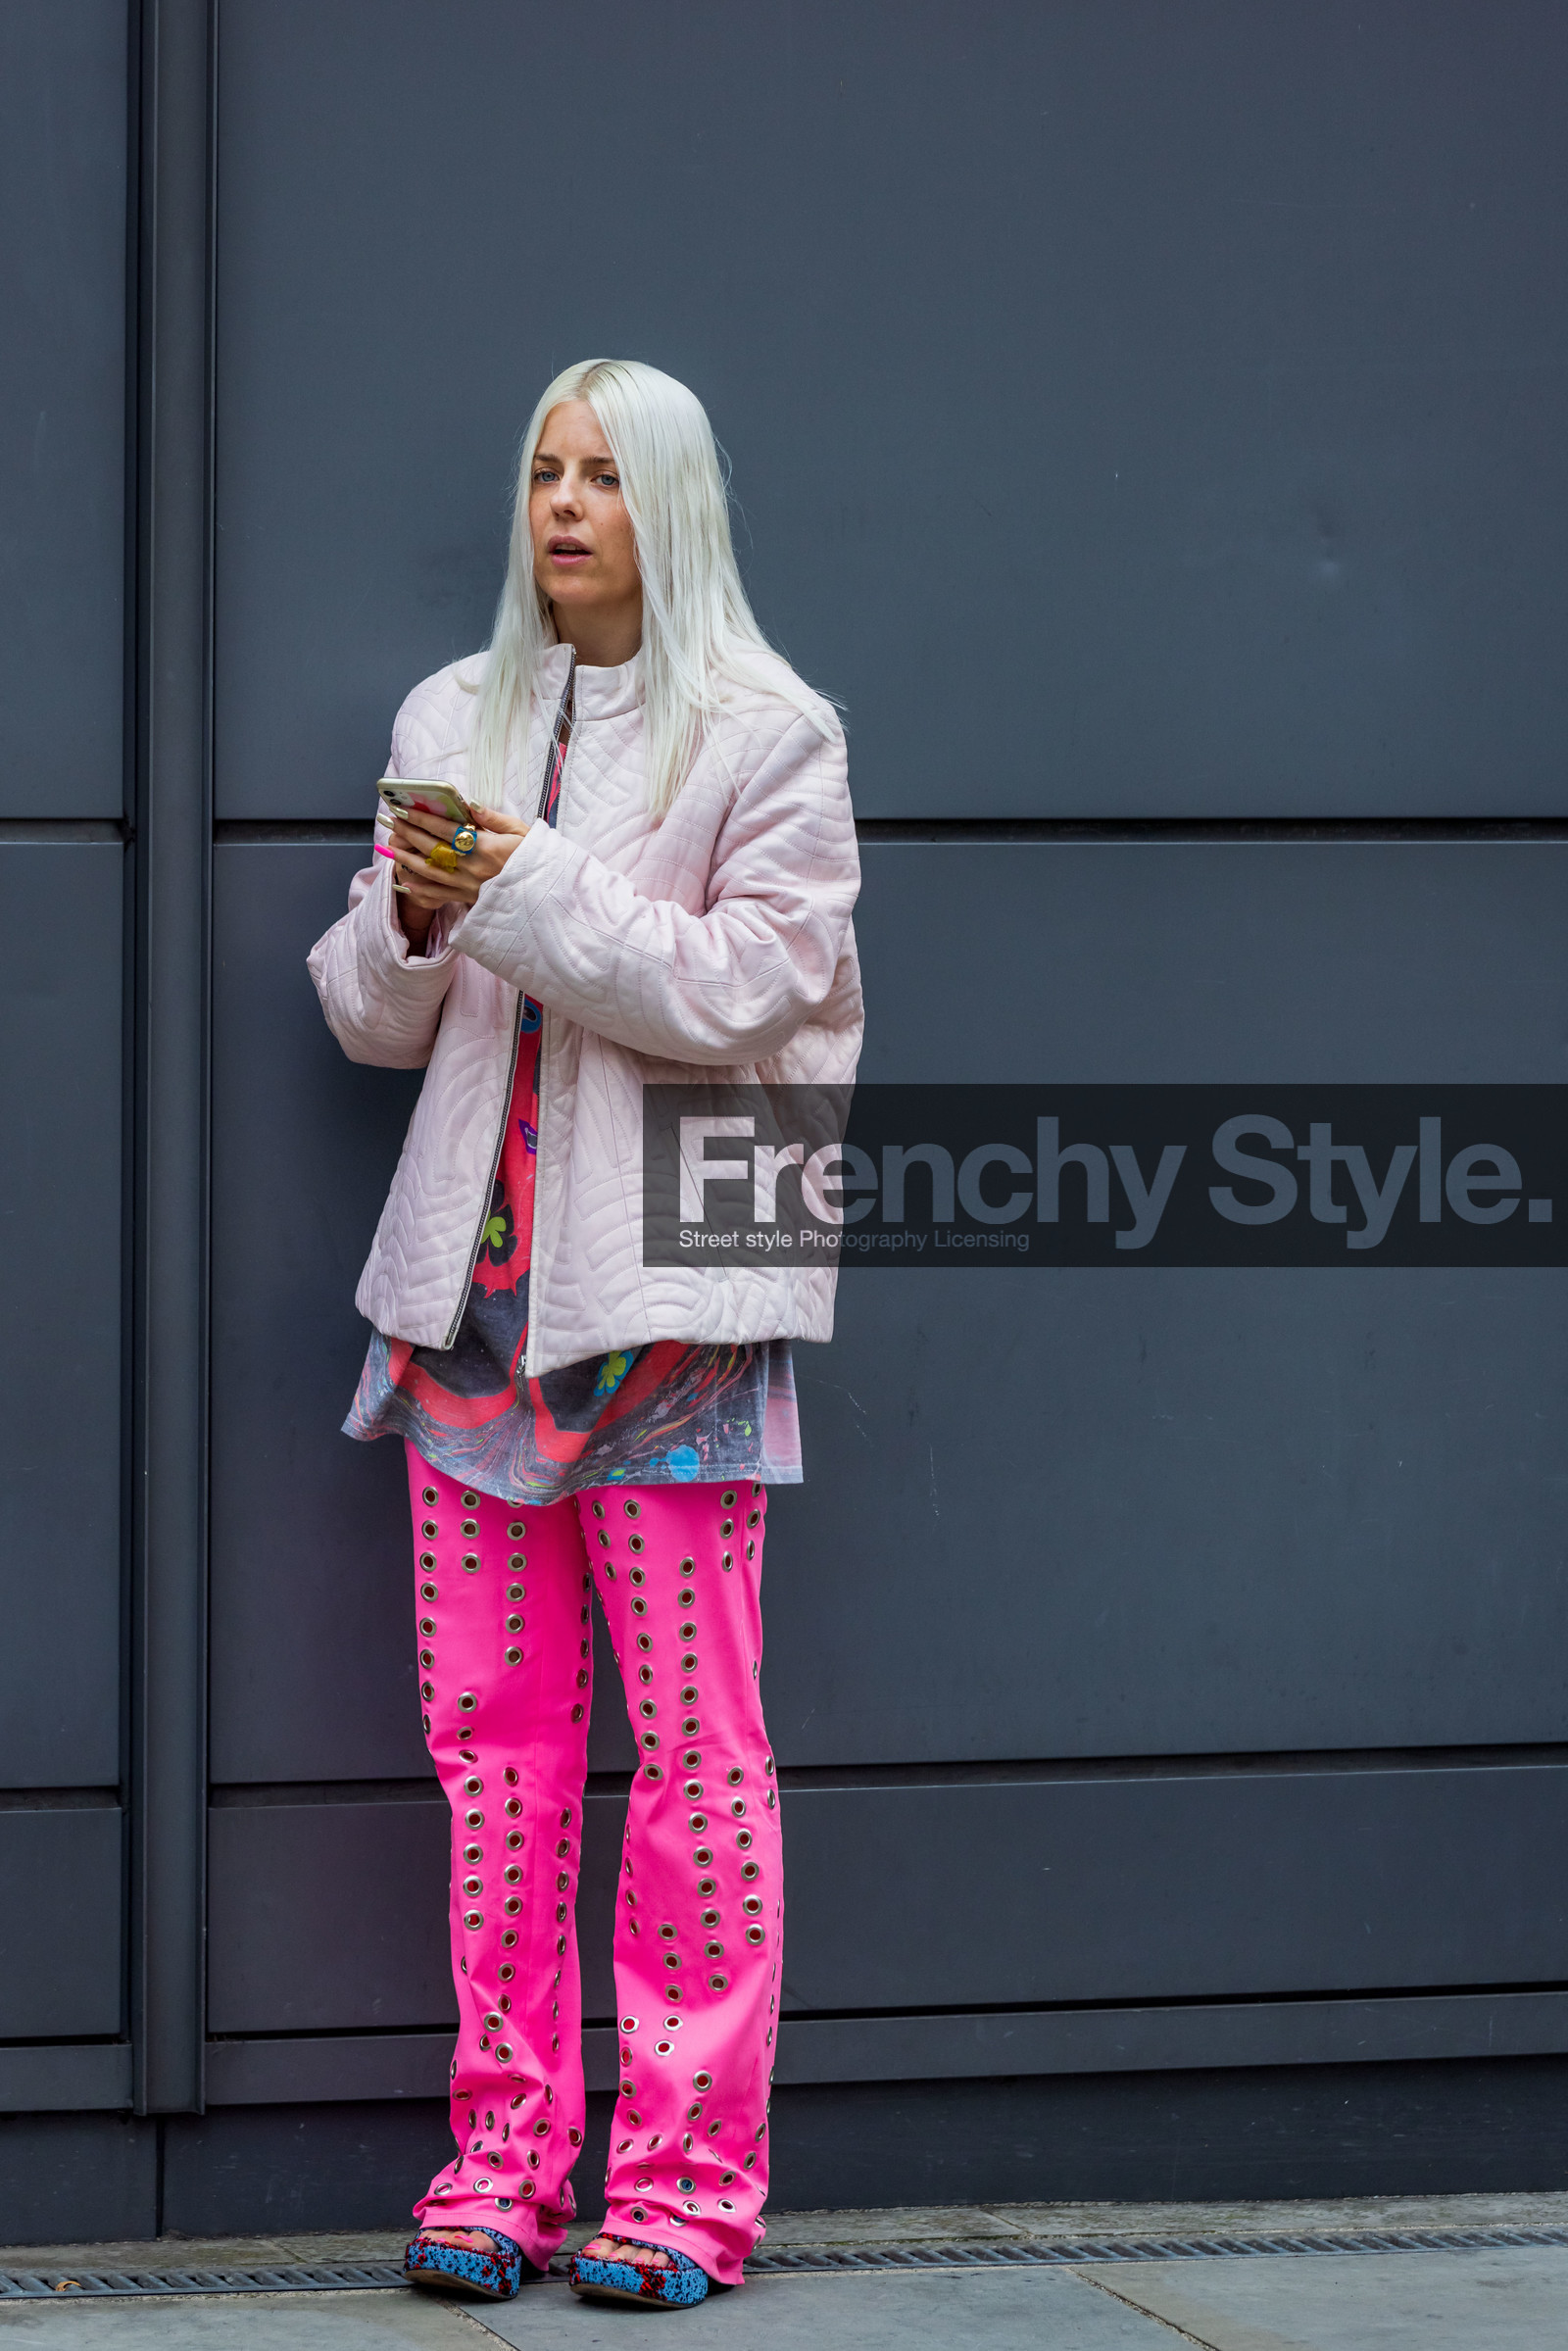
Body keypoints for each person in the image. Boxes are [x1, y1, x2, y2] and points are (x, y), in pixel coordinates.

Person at [308, 359, 861, 2310]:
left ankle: (689, 2183)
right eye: (542, 470)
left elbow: (746, 995)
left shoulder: (770, 734)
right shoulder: (452, 718)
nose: (561, 507)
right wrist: (407, 918)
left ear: (675, 508)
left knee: (696, 1756)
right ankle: (501, 2160)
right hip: (470, 1309)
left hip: (675, 1307)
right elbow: (375, 1018)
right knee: (493, 1750)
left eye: (603, 477)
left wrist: (523, 882)